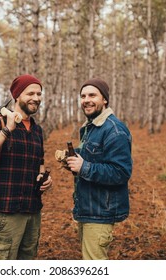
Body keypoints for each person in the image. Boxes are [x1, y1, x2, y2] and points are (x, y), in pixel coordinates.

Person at [0, 74, 53, 260]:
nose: (36, 98)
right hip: (7, 212)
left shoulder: (37, 130)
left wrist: (45, 179)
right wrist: (7, 130)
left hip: (33, 211)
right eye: (30, 93)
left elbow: (39, 163)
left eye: (39, 93)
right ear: (17, 96)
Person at [66, 77, 133, 260]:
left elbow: (121, 172)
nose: (86, 99)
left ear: (104, 99)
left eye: (92, 95)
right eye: (83, 95)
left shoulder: (114, 130)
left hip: (100, 212)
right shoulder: (92, 127)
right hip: (88, 208)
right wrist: (72, 160)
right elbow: (94, 159)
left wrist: (84, 166)